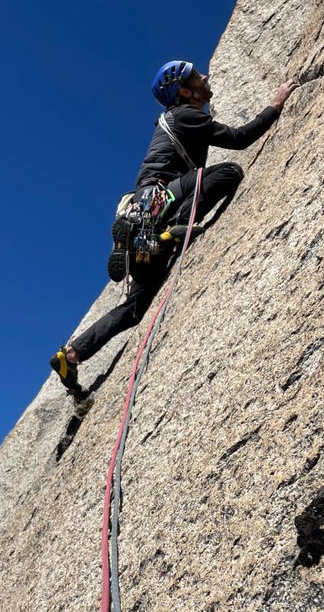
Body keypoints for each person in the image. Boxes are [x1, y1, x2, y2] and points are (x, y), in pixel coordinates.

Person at [49, 60, 298, 395]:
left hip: (144, 211)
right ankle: (175, 229)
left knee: (135, 308)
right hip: (164, 201)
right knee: (228, 173)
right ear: (184, 91)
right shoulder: (185, 114)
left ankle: (73, 353)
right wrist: (276, 104)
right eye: (197, 77)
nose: (205, 77)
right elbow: (239, 139)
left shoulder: (172, 119)